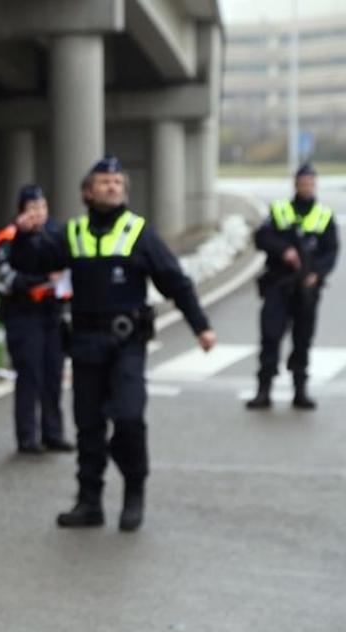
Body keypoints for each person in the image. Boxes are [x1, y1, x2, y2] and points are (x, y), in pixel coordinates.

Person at [11, 156, 216, 532]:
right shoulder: (72, 235)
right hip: (86, 342)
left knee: (128, 418)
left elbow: (175, 282)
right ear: (87, 192)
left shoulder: (139, 233)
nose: (112, 187)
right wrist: (24, 234)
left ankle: (134, 492)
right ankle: (89, 502)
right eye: (104, 182)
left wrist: (200, 327)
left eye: (117, 182)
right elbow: (29, 262)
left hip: (127, 344)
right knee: (88, 426)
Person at [245, 163, 339, 410]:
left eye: (310, 183)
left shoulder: (324, 216)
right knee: (270, 336)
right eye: (302, 183)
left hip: (307, 288)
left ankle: (300, 389)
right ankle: (264, 389)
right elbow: (261, 237)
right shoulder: (279, 211)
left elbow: (331, 251)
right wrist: (283, 250)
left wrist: (316, 274)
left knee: (303, 339)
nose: (306, 187)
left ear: (315, 185)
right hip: (279, 284)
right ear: (296, 184)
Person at [0, 184, 73, 455]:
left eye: (42, 207)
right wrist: (44, 280)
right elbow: (12, 279)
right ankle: (27, 436)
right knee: (30, 375)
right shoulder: (8, 237)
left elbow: (67, 266)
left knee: (53, 374)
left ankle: (54, 432)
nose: (38, 213)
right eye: (32, 208)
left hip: (52, 313)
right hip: (23, 313)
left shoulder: (57, 233)